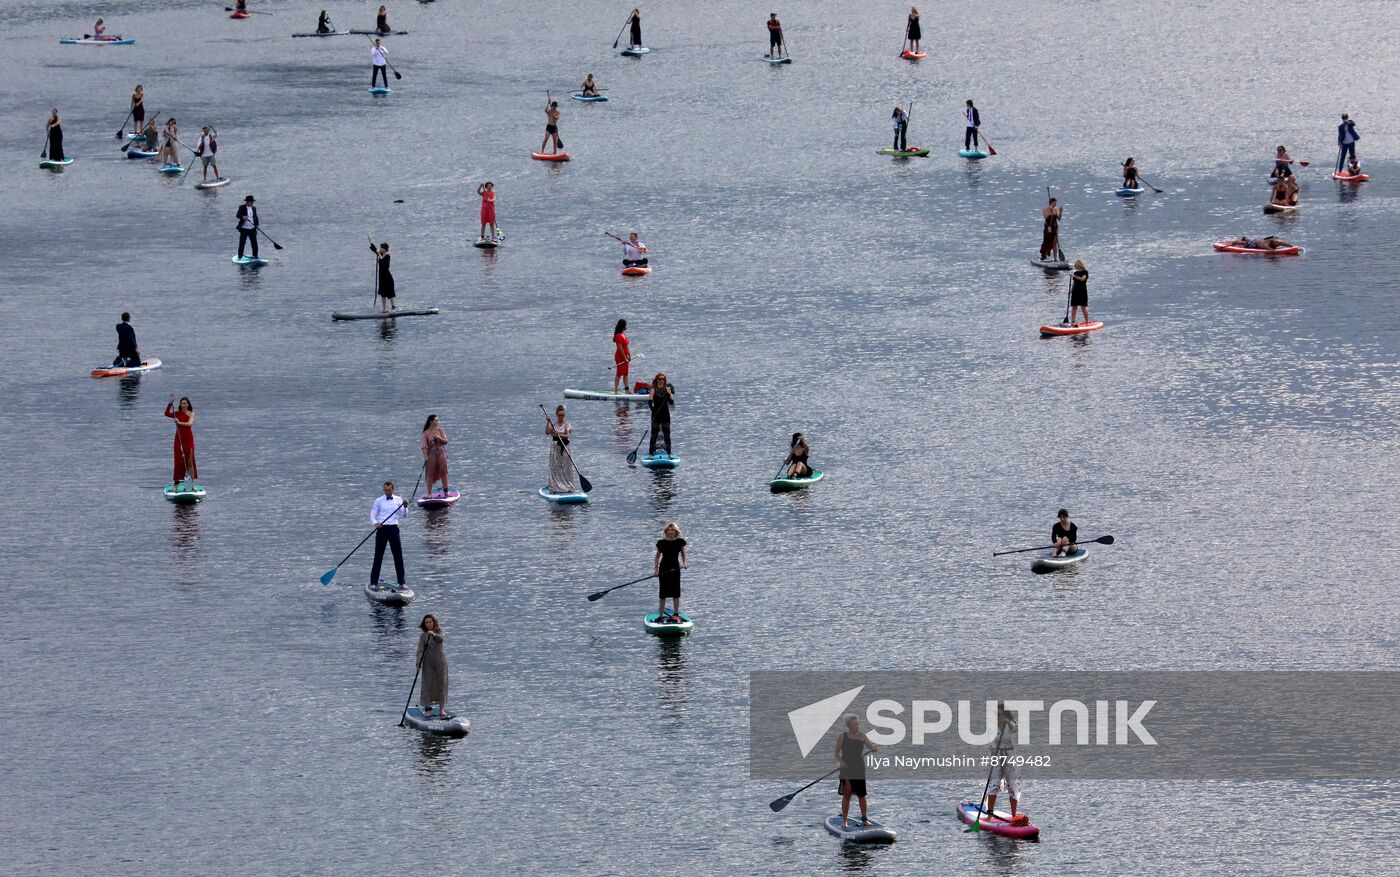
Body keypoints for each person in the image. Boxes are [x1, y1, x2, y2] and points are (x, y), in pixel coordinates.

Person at [835, 713, 879, 828]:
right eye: (854, 725)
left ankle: (864, 819)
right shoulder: (843, 736)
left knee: (861, 795)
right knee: (847, 794)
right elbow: (836, 753)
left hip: (859, 768)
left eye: (858, 724)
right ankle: (844, 821)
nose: (857, 727)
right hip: (846, 768)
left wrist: (874, 749)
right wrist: (841, 761)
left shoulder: (862, 736)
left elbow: (872, 747)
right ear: (849, 726)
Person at [984, 703, 1023, 819]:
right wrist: (993, 752)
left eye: (999, 714)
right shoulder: (993, 727)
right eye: (996, 715)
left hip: (1010, 756)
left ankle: (1014, 816)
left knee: (1013, 784)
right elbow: (990, 741)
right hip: (997, 756)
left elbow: (1016, 729)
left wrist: (1008, 721)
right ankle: (989, 816)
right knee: (993, 784)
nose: (997, 717)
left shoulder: (1011, 725)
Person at [370, 481, 408, 588]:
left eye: (389, 490)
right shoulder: (378, 501)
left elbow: (404, 515)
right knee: (378, 557)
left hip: (394, 529)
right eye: (385, 490)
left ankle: (402, 583)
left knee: (398, 557)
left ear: (393, 489)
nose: (387, 492)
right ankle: (373, 583)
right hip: (382, 530)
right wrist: (375, 523)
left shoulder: (398, 500)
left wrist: (405, 507)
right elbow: (372, 515)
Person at [416, 615, 452, 718]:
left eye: (430, 622)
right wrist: (418, 664)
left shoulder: (439, 631)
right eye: (426, 623)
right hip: (428, 663)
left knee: (442, 684)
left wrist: (434, 635)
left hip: (440, 662)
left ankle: (441, 709)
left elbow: (440, 640)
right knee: (427, 685)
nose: (428, 624)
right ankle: (427, 709)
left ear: (434, 623)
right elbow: (420, 651)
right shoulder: (423, 636)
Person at [652, 522, 688, 620]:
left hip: (675, 569)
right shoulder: (662, 543)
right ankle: (660, 615)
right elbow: (657, 556)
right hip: (664, 569)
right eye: (668, 530)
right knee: (663, 592)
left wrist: (685, 564)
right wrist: (656, 569)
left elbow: (683, 555)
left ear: (675, 531)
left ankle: (676, 613)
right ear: (666, 531)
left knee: (676, 592)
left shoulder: (680, 542)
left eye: (672, 530)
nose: (670, 532)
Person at [164, 396, 197, 487]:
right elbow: (166, 413)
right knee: (179, 461)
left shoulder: (191, 414)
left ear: (188, 404)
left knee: (190, 462)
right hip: (179, 439)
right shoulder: (177, 413)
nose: (183, 405)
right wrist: (170, 404)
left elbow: (189, 423)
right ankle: (177, 482)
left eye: (185, 403)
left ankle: (192, 484)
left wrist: (179, 423)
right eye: (182, 404)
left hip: (188, 439)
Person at [545, 405, 576, 494]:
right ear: (556, 415)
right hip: (555, 448)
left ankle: (568, 486)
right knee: (555, 467)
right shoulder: (553, 425)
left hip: (565, 447)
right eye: (559, 415)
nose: (561, 417)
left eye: (562, 415)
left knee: (565, 467)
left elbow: (567, 435)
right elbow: (547, 432)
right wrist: (547, 422)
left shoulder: (567, 425)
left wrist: (558, 434)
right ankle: (556, 486)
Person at [647, 372, 674, 456]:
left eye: (663, 379)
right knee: (654, 435)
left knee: (667, 435)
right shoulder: (653, 389)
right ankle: (651, 453)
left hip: (665, 415)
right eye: (660, 379)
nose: (661, 381)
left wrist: (670, 394)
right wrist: (654, 412)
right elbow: (649, 403)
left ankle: (669, 453)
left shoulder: (667, 389)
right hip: (656, 415)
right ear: (657, 380)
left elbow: (671, 403)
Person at [421, 415, 449, 497]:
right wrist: (425, 456)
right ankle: (429, 493)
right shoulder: (426, 433)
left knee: (443, 471)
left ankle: (446, 492)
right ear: (431, 421)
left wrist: (439, 438)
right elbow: (424, 446)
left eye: (437, 421)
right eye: (436, 420)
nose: (437, 422)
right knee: (430, 472)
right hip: (431, 454)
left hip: (441, 452)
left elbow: (446, 441)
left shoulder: (440, 430)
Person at [368, 236, 396, 311]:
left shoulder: (387, 256)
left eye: (381, 248)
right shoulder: (380, 253)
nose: (380, 249)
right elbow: (374, 249)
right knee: (383, 294)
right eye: (380, 248)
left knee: (390, 294)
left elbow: (385, 265)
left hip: (388, 278)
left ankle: (393, 307)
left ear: (385, 249)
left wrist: (379, 255)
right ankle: (384, 309)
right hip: (382, 278)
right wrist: (370, 241)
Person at [613, 319, 632, 394]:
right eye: (625, 325)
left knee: (625, 373)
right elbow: (620, 348)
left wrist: (629, 355)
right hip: (620, 357)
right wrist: (624, 358)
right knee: (619, 373)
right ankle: (616, 390)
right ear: (623, 326)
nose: (626, 327)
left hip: (625, 357)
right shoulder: (618, 336)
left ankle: (627, 390)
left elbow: (626, 346)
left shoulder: (623, 335)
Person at [1068, 260, 1089, 326]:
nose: (1074, 266)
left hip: (1082, 291)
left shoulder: (1085, 272)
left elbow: (1082, 279)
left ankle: (1087, 322)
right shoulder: (1076, 273)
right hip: (1075, 291)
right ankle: (1073, 321)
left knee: (1083, 307)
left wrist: (1074, 277)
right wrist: (1071, 290)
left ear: (1079, 265)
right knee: (1074, 307)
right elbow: (1074, 283)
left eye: (1075, 264)